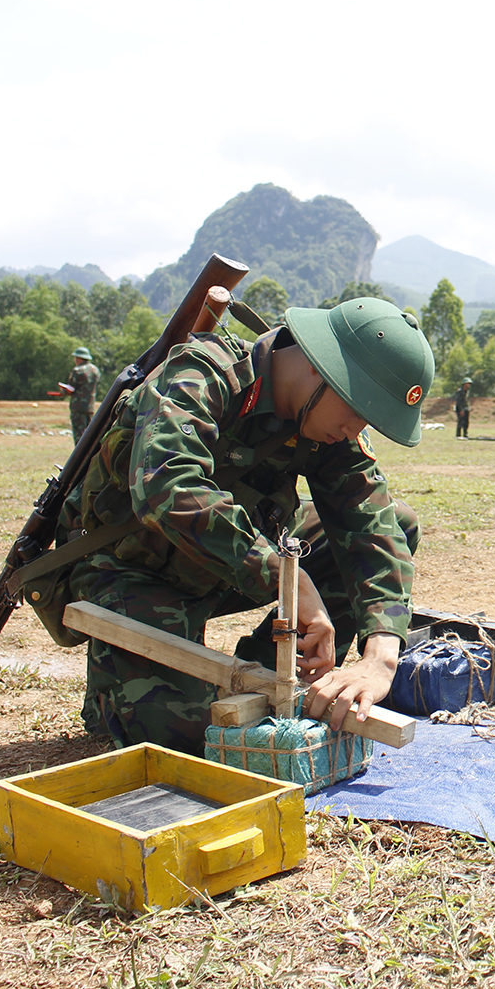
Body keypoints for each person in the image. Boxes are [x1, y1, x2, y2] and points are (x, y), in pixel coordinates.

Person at [62, 297, 431, 753]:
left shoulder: (330, 422)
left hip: (231, 567)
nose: (357, 428)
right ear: (323, 368)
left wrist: (380, 657)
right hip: (135, 571)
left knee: (399, 521)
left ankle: (270, 676)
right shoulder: (202, 373)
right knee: (197, 743)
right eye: (359, 409)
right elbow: (166, 486)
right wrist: (284, 577)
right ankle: (119, 691)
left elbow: (374, 527)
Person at [65, 347, 102, 444]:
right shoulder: (95, 370)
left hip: (78, 407)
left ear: (79, 358)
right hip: (90, 406)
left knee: (79, 435)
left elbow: (70, 388)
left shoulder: (77, 370)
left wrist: (63, 391)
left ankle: (80, 457)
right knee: (89, 434)